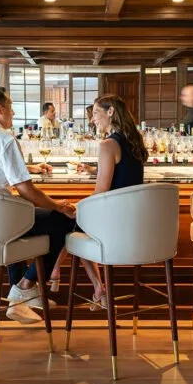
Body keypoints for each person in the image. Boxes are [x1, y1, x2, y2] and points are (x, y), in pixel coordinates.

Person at [0, 86, 77, 324]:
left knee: (16, 214)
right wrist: (57, 205)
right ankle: (25, 286)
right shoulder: (4, 138)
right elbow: (26, 190)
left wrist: (27, 168)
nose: (14, 112)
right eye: (10, 107)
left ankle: (19, 301)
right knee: (64, 220)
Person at [49, 94, 147, 310]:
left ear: (110, 112)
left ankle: (54, 271)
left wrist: (77, 207)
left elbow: (100, 193)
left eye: (96, 113)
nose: (93, 120)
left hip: (114, 223)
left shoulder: (108, 144)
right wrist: (95, 172)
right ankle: (96, 287)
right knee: (78, 222)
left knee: (67, 220)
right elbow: (125, 173)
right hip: (137, 221)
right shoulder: (135, 141)